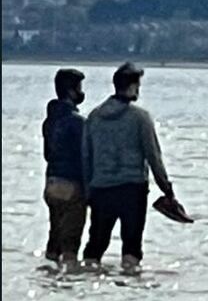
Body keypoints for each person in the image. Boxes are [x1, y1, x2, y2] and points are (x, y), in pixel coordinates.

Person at [82, 63, 176, 271]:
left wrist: (88, 192)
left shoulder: (94, 117)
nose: (139, 90)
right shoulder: (140, 117)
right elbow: (153, 156)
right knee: (132, 248)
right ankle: (131, 291)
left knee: (95, 246)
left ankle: (85, 288)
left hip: (101, 189)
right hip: (132, 189)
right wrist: (166, 189)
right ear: (132, 86)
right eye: (138, 85)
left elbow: (86, 157)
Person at [42, 68, 88, 267]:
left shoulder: (49, 121)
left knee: (54, 237)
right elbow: (85, 157)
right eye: (79, 88)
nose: (81, 93)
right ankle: (68, 286)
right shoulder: (78, 123)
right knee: (70, 245)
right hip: (72, 185)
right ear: (71, 91)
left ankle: (49, 277)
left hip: (51, 183)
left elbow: (47, 154)